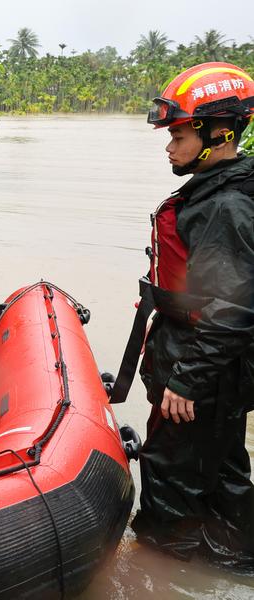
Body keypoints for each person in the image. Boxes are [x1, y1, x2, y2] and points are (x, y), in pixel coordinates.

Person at [126, 61, 254, 571]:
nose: (169, 146)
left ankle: (163, 571)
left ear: (219, 134)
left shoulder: (225, 207)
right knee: (224, 473)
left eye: (179, 134)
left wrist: (187, 382)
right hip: (209, 370)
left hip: (202, 374)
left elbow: (234, 308)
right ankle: (233, 559)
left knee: (169, 483)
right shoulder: (215, 191)